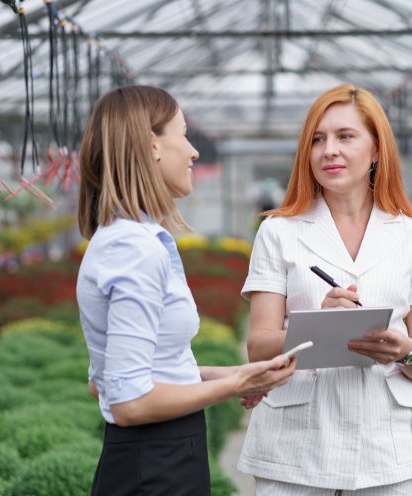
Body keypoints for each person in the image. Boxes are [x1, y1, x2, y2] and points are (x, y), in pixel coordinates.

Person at [76, 85, 296, 496]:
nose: (194, 152)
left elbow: (115, 378)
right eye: (184, 134)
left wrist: (237, 373)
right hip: (155, 466)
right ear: (151, 145)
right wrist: (233, 387)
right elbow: (129, 403)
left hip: (160, 457)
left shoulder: (133, 239)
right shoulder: (134, 249)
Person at [237, 83, 412, 495]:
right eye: (317, 140)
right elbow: (258, 346)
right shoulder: (278, 232)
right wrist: (316, 327)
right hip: (295, 447)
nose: (328, 150)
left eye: (345, 137)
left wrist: (403, 350)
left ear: (376, 150)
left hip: (385, 448)